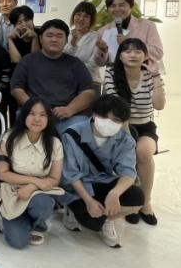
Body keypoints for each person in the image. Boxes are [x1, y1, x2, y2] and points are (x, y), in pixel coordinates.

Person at [59, 95, 145, 248]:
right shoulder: (72, 134)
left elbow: (128, 172)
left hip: (104, 180)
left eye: (116, 120)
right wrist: (89, 201)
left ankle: (107, 220)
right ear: (94, 114)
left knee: (137, 198)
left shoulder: (125, 140)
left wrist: (115, 193)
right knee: (90, 221)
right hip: (78, 187)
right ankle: (72, 210)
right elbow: (71, 174)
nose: (109, 123)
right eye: (104, 117)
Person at [103, 39, 166, 225]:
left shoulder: (150, 75)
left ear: (145, 56)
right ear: (120, 56)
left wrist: (156, 75)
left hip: (145, 125)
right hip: (118, 125)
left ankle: (145, 202)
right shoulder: (111, 73)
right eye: (128, 51)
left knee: (144, 152)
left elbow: (159, 105)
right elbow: (116, 109)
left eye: (138, 51)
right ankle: (133, 200)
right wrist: (128, 137)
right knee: (128, 154)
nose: (132, 55)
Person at [0, 97, 64, 248]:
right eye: (32, 114)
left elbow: (54, 178)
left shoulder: (55, 143)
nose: (37, 119)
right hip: (13, 192)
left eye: (42, 115)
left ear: (48, 118)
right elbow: (2, 174)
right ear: (24, 115)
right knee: (18, 242)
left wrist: (32, 187)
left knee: (43, 204)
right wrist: (36, 181)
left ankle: (37, 225)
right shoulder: (9, 138)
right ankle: (15, 218)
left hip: (39, 193)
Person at [11, 19, 96, 133]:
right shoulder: (27, 61)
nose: (54, 39)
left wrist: (70, 109)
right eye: (49, 35)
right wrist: (36, 108)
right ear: (41, 39)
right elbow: (16, 88)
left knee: (81, 126)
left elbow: (88, 92)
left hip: (68, 116)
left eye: (60, 36)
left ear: (66, 40)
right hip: (34, 113)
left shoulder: (76, 64)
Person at [95, 0, 164, 74]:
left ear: (131, 6)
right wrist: (103, 50)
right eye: (113, 6)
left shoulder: (148, 25)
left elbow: (158, 53)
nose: (117, 9)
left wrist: (130, 44)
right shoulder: (102, 31)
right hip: (113, 79)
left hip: (142, 77)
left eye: (121, 5)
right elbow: (100, 63)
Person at [64, 1, 100, 87]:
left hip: (89, 82)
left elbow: (92, 65)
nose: (81, 19)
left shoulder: (97, 37)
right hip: (66, 82)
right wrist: (72, 43)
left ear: (91, 20)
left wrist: (69, 69)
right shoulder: (66, 34)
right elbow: (62, 58)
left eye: (86, 16)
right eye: (78, 14)